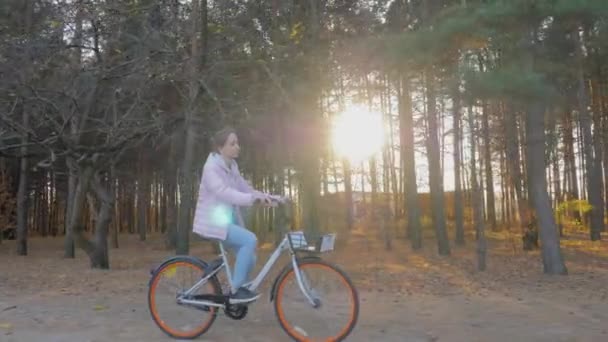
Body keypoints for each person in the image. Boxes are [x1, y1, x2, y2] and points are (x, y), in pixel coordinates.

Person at [192, 127, 282, 304]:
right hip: (212, 222)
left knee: (250, 256)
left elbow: (246, 190)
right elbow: (225, 193)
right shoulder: (211, 168)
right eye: (232, 144)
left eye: (237, 143)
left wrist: (273, 199)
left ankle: (235, 290)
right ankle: (235, 291)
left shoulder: (232, 166)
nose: (237, 147)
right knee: (250, 240)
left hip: (226, 221)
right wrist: (251, 199)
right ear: (220, 148)